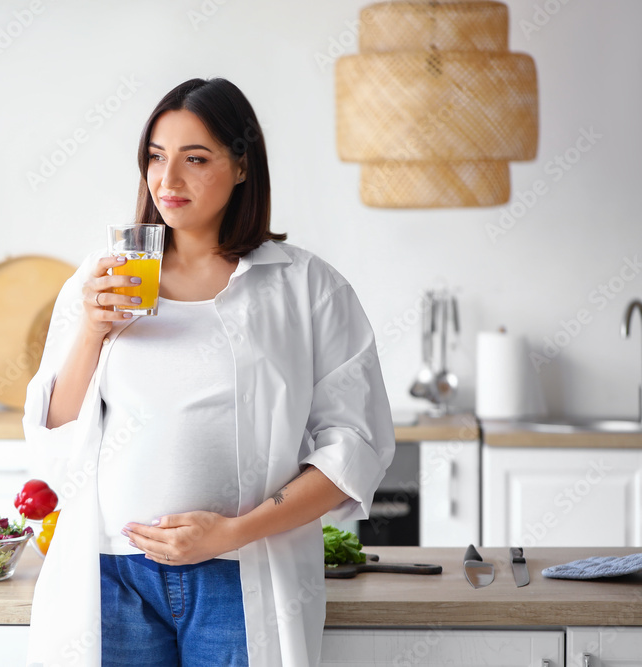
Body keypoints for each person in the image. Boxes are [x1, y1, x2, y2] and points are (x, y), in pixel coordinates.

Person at [23, 78, 395, 667]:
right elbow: (55, 440)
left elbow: (356, 447)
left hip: (241, 573)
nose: (167, 182)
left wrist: (230, 533)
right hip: (110, 574)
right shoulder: (101, 280)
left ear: (243, 167)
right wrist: (92, 331)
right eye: (155, 157)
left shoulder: (305, 286)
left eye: (195, 159)